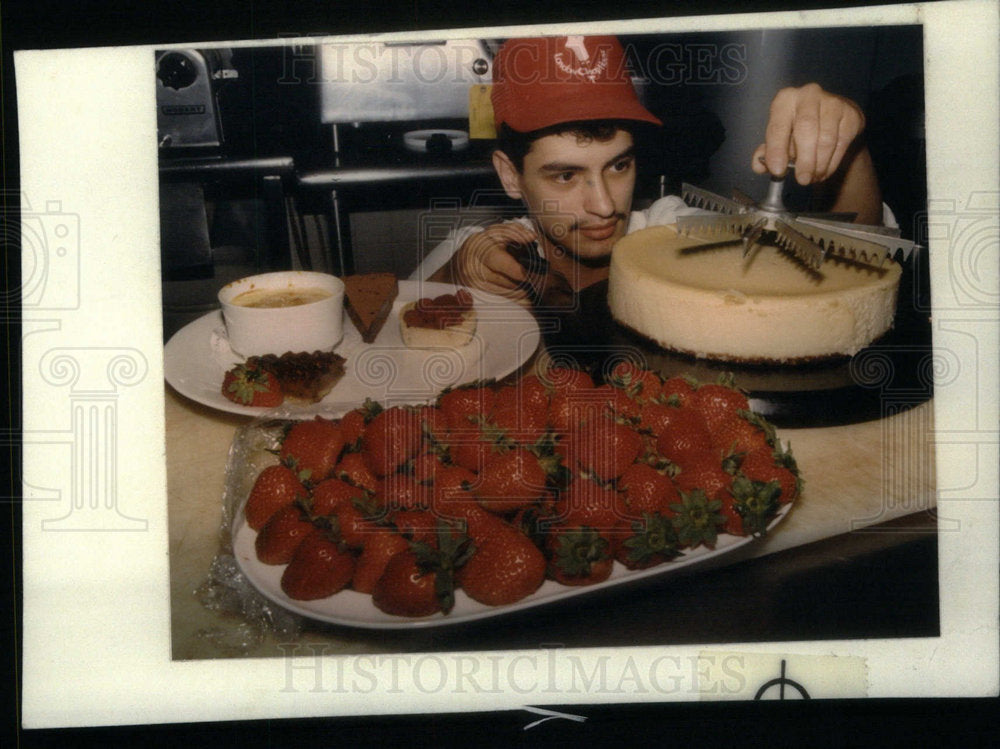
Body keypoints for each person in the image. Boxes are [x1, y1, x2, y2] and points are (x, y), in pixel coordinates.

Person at [413, 34, 885, 308]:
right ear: (510, 175)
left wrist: (848, 147)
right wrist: (456, 277)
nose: (604, 205)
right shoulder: (474, 251)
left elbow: (853, 269)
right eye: (565, 176)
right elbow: (370, 346)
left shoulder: (670, 230)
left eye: (619, 165)